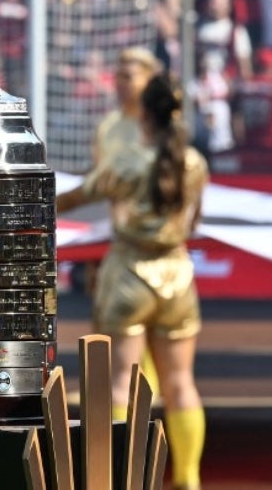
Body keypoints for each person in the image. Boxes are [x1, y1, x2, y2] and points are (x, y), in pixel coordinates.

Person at [59, 74, 209, 490]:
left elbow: (76, 196)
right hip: (177, 274)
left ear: (143, 114)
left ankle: (121, 478)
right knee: (180, 382)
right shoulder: (194, 162)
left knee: (121, 381)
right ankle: (189, 477)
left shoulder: (126, 162)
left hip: (128, 272)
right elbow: (194, 220)